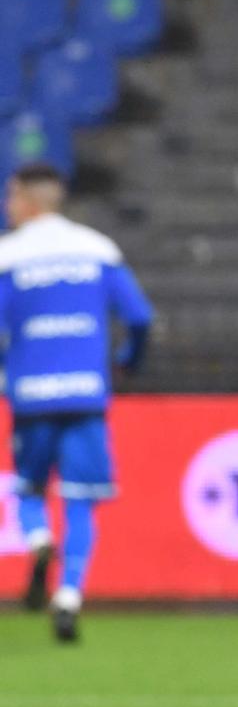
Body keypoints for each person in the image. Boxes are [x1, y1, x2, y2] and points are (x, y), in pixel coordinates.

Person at [0, 162, 154, 643]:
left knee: (29, 489)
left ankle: (40, 541)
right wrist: (128, 360)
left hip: (31, 396)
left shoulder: (9, 257)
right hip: (86, 393)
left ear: (25, 199)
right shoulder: (97, 250)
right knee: (83, 501)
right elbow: (140, 316)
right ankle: (69, 595)